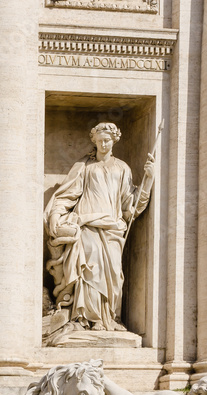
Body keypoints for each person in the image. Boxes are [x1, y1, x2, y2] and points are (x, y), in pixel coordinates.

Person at [45, 122, 154, 338]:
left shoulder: (122, 168)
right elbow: (68, 194)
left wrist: (149, 179)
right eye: (100, 140)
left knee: (113, 273)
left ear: (114, 141)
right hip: (87, 224)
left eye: (108, 140)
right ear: (94, 141)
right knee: (90, 269)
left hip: (112, 226)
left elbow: (130, 205)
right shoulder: (84, 166)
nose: (104, 144)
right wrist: (56, 214)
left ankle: (109, 318)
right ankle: (86, 319)